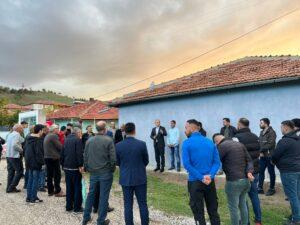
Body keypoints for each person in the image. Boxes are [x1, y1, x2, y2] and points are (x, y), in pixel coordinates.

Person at [182, 119, 221, 225]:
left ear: (191, 127)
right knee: (213, 210)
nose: (185, 130)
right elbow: (216, 163)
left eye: (186, 128)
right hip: (209, 182)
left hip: (195, 181)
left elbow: (186, 164)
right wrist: (210, 176)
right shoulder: (209, 142)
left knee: (198, 212)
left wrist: (201, 177)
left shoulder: (186, 143)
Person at [213, 133, 253, 225]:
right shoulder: (240, 144)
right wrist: (249, 171)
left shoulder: (222, 146)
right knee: (243, 205)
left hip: (233, 181)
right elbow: (249, 160)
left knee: (233, 208)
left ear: (216, 141)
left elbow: (215, 160)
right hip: (246, 181)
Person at [83, 121, 116, 225]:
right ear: (105, 128)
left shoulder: (89, 140)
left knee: (91, 195)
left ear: (96, 129)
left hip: (94, 172)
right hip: (105, 172)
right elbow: (113, 158)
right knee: (103, 196)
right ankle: (100, 221)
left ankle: (86, 218)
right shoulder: (109, 140)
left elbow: (85, 156)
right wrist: (112, 168)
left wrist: (87, 167)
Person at [116, 122, 149, 225]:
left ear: (124, 131)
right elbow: (146, 161)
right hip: (140, 177)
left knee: (128, 205)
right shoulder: (142, 144)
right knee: (142, 203)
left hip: (126, 178)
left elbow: (117, 162)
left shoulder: (118, 145)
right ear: (134, 131)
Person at [272, 120, 300, 225]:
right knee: (297, 195)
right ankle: (296, 216)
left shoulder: (285, 141)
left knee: (293, 196)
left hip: (289, 171)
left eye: (281, 127)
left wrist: (275, 162)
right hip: (297, 170)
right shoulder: (298, 139)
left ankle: (296, 220)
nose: (281, 129)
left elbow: (274, 156)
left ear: (286, 127)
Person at [234, 118, 262, 225]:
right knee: (254, 195)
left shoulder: (236, 138)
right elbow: (258, 151)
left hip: (243, 172)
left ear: (240, 125)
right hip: (255, 170)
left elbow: (235, 154)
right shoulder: (255, 136)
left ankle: (246, 221)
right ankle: (258, 220)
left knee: (243, 197)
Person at [61, 127, 84, 213]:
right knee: (77, 187)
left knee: (69, 187)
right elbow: (79, 154)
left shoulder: (66, 139)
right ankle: (77, 207)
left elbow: (62, 153)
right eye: (81, 133)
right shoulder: (77, 140)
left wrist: (62, 164)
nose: (81, 134)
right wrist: (80, 165)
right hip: (75, 167)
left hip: (67, 167)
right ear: (78, 133)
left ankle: (69, 206)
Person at [25, 124, 45, 203]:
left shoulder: (28, 138)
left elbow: (25, 151)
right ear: (40, 131)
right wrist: (42, 163)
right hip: (36, 163)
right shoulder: (38, 140)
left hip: (29, 162)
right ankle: (33, 198)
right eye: (42, 130)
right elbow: (39, 153)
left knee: (30, 180)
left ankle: (29, 197)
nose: (43, 132)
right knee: (35, 181)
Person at [44, 124, 65, 197]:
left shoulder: (48, 135)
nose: (58, 130)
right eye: (57, 128)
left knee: (50, 175)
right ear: (54, 129)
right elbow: (60, 146)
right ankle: (57, 191)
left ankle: (50, 191)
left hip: (47, 157)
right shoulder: (53, 136)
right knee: (57, 175)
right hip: (54, 157)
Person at [258, 118, 277, 196]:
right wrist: (260, 151)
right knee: (261, 172)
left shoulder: (272, 132)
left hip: (269, 156)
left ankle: (272, 188)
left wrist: (261, 151)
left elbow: (270, 144)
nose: (260, 124)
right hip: (262, 157)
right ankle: (260, 188)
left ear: (266, 124)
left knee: (271, 172)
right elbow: (260, 143)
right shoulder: (261, 132)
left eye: (261, 123)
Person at [6, 124, 24, 193]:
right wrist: (22, 150)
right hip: (14, 156)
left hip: (9, 155)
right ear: (18, 129)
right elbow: (14, 145)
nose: (22, 130)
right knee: (19, 171)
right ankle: (11, 187)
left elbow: (22, 140)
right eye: (21, 128)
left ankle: (9, 187)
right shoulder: (17, 134)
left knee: (11, 172)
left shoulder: (10, 134)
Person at [38, 125, 49, 192]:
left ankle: (42, 184)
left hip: (44, 156)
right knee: (42, 171)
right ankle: (41, 186)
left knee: (43, 172)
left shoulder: (43, 136)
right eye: (47, 129)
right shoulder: (42, 137)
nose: (48, 130)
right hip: (43, 156)